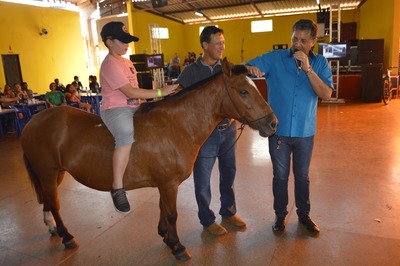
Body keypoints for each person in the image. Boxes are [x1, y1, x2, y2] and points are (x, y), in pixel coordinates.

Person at [245, 19, 334, 234]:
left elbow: (326, 94)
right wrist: (251, 69)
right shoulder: (274, 59)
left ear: (313, 41)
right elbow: (245, 68)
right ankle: (280, 216)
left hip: (305, 133)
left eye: (304, 40)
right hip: (278, 134)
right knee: (280, 176)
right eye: (295, 38)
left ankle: (303, 215)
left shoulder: (320, 63)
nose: (297, 44)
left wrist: (308, 69)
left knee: (302, 177)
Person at [99, 21, 178, 214]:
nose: (127, 44)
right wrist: (160, 93)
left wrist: (155, 100)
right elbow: (130, 92)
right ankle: (117, 187)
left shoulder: (126, 62)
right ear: (109, 42)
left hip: (135, 105)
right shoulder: (110, 64)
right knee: (125, 135)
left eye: (128, 41)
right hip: (117, 108)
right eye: (123, 41)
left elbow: (137, 92)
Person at [175, 26, 246, 236]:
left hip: (229, 130)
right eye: (217, 43)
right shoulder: (190, 72)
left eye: (223, 43)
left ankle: (229, 212)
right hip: (205, 135)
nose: (222, 46)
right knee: (203, 179)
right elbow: (179, 101)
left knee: (229, 173)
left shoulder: (227, 68)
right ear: (205, 45)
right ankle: (207, 220)